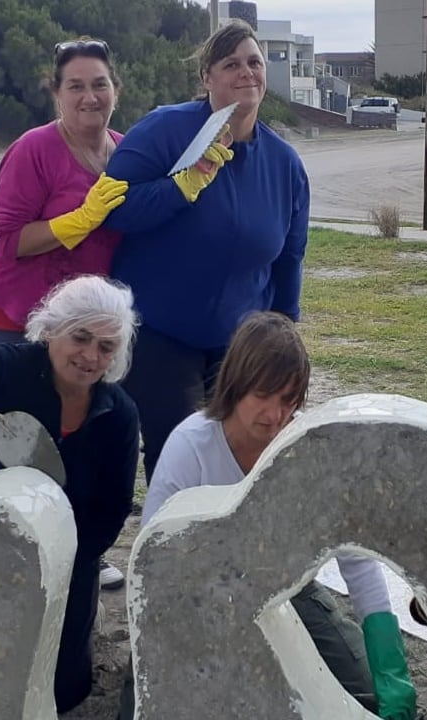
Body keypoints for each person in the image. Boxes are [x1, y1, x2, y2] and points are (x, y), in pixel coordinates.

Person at [111, 312, 417, 720]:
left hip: (287, 585)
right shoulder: (190, 446)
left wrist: (389, 660)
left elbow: (356, 558)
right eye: (264, 396)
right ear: (236, 385)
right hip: (199, 594)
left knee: (368, 699)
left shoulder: (309, 449)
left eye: (290, 400)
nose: (276, 415)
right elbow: (153, 562)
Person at [0, 275, 139, 714]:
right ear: (52, 329)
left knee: (63, 692)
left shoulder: (119, 414)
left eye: (106, 346)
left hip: (69, 555)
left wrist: (61, 562)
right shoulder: (12, 367)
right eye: (81, 337)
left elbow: (112, 510)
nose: (91, 355)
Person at [102, 22, 311, 481]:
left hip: (238, 342)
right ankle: (170, 540)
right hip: (159, 331)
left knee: (242, 448)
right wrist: (183, 187)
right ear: (207, 78)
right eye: (230, 64)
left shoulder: (284, 163)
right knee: (180, 444)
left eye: (254, 62)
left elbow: (288, 258)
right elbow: (115, 208)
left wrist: (284, 336)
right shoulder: (165, 130)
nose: (246, 72)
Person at [0, 36, 132, 593]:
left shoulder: (124, 151)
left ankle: (74, 542)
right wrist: (75, 222)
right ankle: (1, 542)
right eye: (76, 86)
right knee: (22, 425)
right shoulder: (35, 149)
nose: (90, 96)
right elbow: (9, 238)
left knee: (78, 425)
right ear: (56, 94)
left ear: (116, 89)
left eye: (99, 83)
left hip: (82, 319)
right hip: (13, 307)